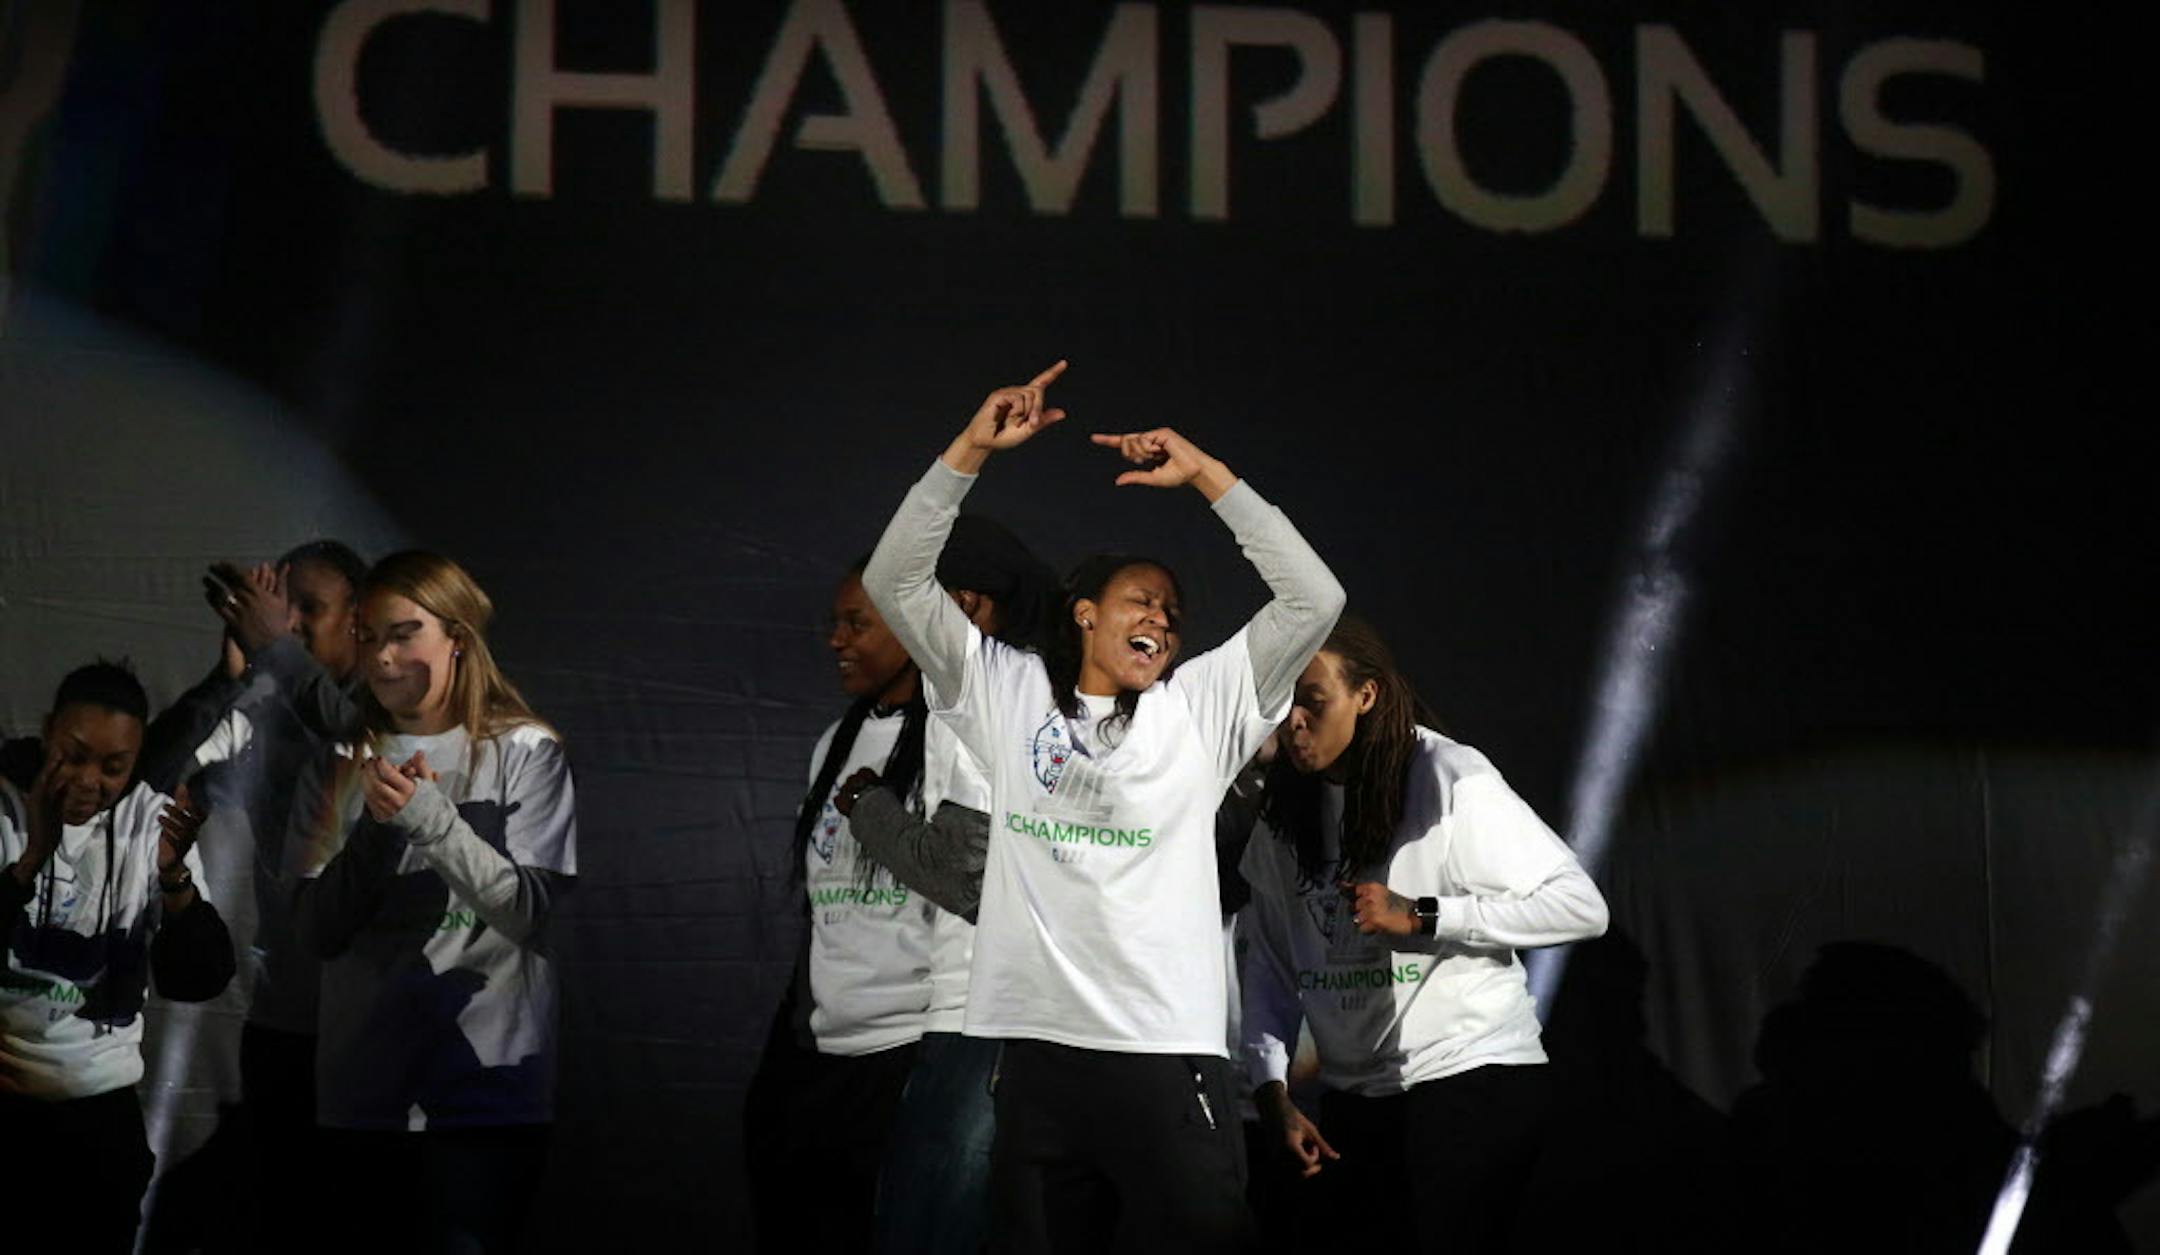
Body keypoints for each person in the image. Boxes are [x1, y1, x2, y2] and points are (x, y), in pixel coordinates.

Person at [863, 360, 1344, 1253]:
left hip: (1168, 1053)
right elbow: (896, 582)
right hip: (1039, 1054)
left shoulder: (1201, 708)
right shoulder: (1007, 694)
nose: (1161, 614)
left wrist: (1205, 474)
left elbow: (1315, 599)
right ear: (1085, 614)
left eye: (1172, 607)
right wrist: (971, 447)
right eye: (1140, 598)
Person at [1237, 616, 1608, 1254]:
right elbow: (1271, 962)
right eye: (1282, 703)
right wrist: (1270, 1087)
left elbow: (1580, 907)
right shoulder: (1286, 810)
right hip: (1357, 1099)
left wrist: (1427, 916)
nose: (1293, 720)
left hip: (1468, 1080)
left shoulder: (1448, 776)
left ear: (1367, 694)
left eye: (1312, 701)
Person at [285, 551, 576, 1253]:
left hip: (483, 1101)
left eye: (404, 633)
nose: (383, 657)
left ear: (458, 638)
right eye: (368, 635)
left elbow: (530, 911)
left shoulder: (525, 750)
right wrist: (377, 837)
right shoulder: (337, 759)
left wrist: (431, 819)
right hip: (365, 1099)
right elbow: (315, 930)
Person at [833, 513, 1060, 1255]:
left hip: (985, 1015)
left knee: (933, 1232)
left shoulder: (983, 701)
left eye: (912, 603)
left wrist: (867, 810)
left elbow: (964, 877)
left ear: (963, 606)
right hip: (991, 1013)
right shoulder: (1029, 688)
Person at [134, 539, 368, 1250]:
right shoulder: (263, 709)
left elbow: (353, 733)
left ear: (359, 619)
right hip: (287, 1020)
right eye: (281, 607)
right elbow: (148, 777)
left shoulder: (393, 709)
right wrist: (225, 676)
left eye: (309, 609)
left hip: (375, 1024)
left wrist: (272, 651)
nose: (289, 623)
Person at [1, 661, 234, 1252]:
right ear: (49, 729)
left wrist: (174, 876)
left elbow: (199, 979)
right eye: (72, 755)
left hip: (101, 1113)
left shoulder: (147, 820)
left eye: (113, 767)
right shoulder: (4, 808)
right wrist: (31, 859)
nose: (88, 781)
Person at [746, 554, 940, 1253]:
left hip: (907, 1050)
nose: (837, 640)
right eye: (835, 623)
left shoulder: (952, 738)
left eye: (857, 623)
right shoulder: (836, 740)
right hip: (823, 1048)